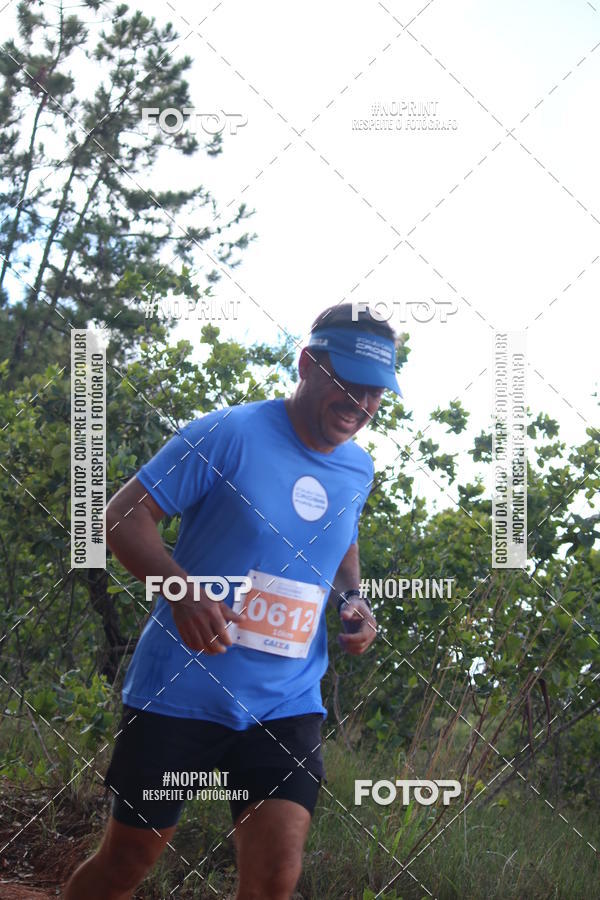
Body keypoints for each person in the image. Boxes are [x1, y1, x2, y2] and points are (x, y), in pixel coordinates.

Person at [64, 302, 401, 900]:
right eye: (348, 383)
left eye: (376, 391)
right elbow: (117, 517)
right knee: (128, 861)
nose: (362, 404)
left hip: (286, 700)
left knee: (275, 880)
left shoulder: (358, 468)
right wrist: (179, 590)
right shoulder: (229, 434)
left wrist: (353, 596)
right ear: (307, 364)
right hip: (182, 694)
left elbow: (343, 537)